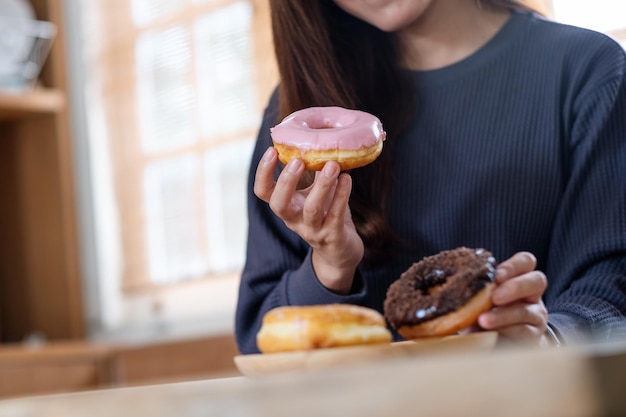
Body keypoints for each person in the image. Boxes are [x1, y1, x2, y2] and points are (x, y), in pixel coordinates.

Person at [235, 0, 626, 354]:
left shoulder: (586, 71)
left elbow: (610, 291)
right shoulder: (295, 115)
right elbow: (258, 341)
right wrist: (329, 268)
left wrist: (546, 337)